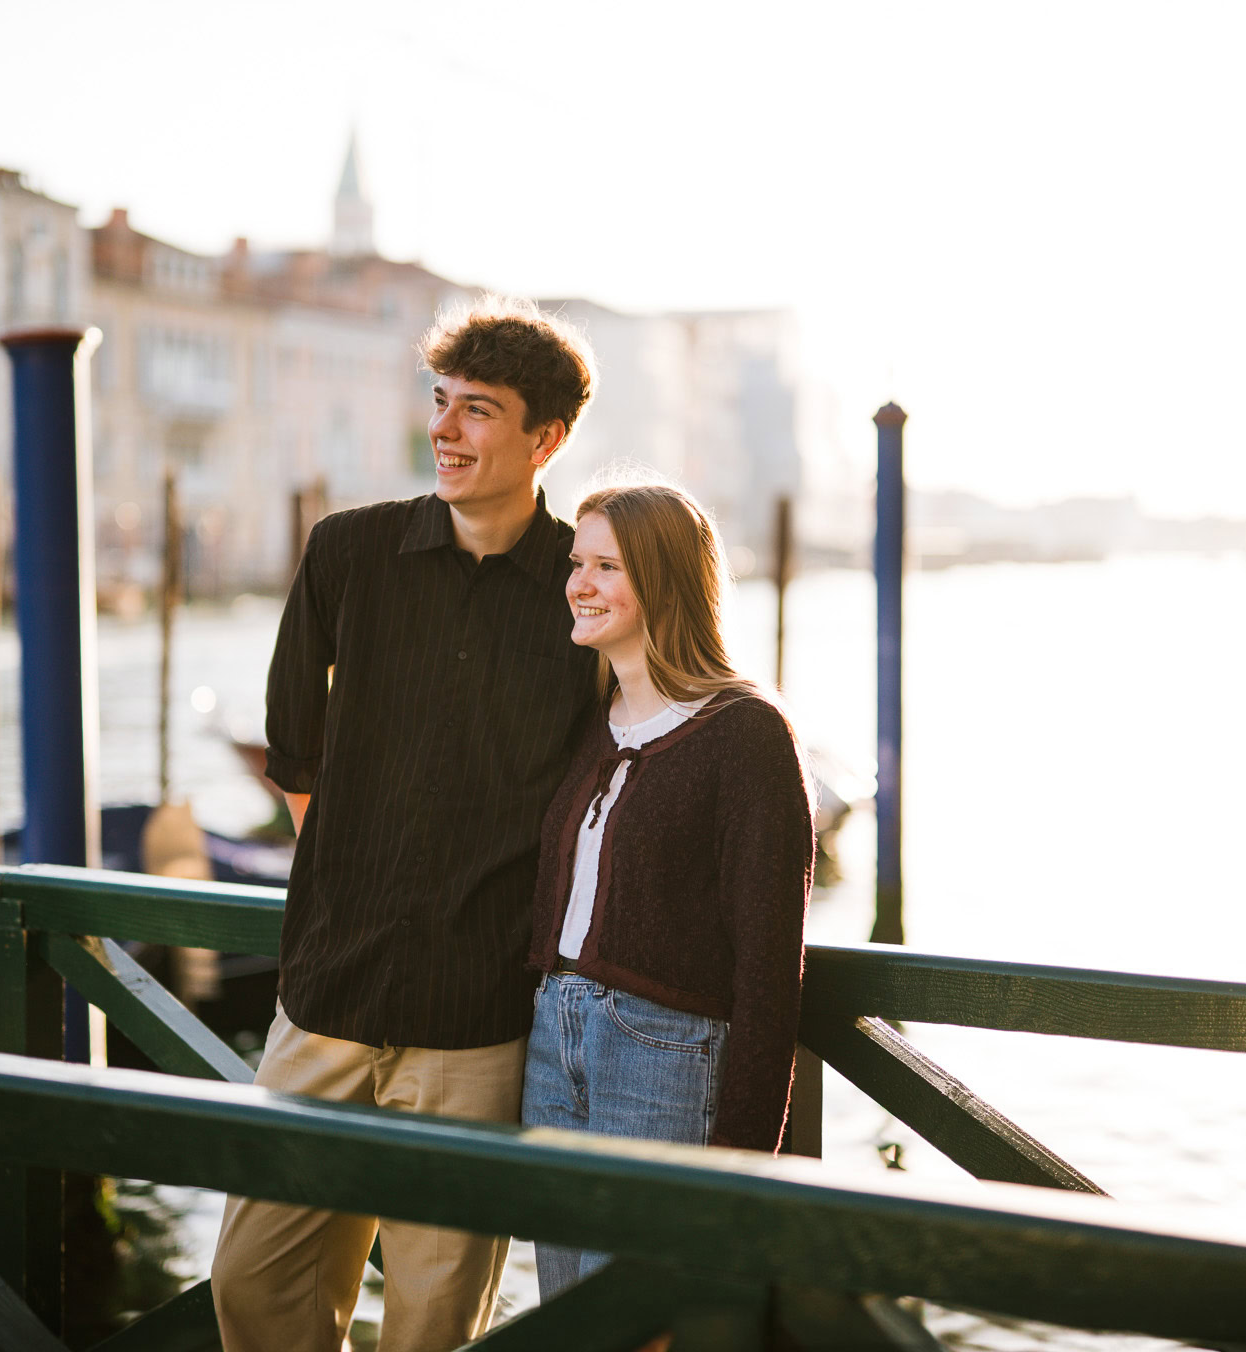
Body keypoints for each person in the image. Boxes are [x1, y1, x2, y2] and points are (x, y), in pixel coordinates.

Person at [210, 297, 600, 1352]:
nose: (446, 428)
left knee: (433, 1319)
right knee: (250, 1280)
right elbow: (293, 753)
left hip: (477, 1012)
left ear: (545, 438)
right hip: (329, 987)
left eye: (479, 409)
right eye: (441, 402)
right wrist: (358, 878)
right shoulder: (347, 551)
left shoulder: (584, 592)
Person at [520, 480, 814, 1298]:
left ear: (666, 580)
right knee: (567, 1313)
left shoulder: (746, 733)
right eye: (577, 563)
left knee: (640, 1314)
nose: (579, 583)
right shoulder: (593, 716)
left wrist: (746, 1163)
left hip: (664, 1056)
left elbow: (768, 963)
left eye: (607, 566)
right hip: (553, 1040)